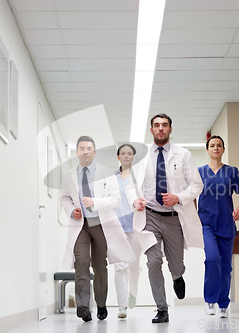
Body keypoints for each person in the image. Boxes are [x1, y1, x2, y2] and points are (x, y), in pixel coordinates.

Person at [125, 113, 204, 323]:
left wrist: (178, 197)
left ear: (170, 129)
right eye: (157, 125)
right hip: (148, 216)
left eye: (165, 125)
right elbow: (131, 187)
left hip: (174, 217)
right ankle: (162, 308)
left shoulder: (184, 155)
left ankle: (178, 276)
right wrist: (135, 201)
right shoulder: (140, 156)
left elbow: (197, 185)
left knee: (175, 264)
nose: (160, 128)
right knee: (153, 262)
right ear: (151, 130)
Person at [60, 136, 136, 322]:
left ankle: (101, 304)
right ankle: (84, 306)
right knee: (81, 261)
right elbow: (64, 198)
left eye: (89, 148)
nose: (85, 151)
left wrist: (95, 202)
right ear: (77, 152)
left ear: (94, 152)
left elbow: (115, 199)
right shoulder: (69, 174)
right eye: (82, 148)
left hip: (101, 223)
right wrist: (72, 211)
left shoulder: (107, 173)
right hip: (81, 224)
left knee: (100, 265)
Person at [197, 135, 239, 318]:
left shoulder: (232, 172)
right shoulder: (199, 172)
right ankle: (210, 301)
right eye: (212, 145)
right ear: (207, 150)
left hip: (226, 224)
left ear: (223, 149)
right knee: (212, 259)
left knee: (226, 266)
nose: (215, 148)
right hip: (206, 224)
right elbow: (190, 195)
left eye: (219, 145)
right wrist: (193, 216)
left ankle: (223, 304)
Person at [112, 143, 142, 319]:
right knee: (120, 266)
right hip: (117, 228)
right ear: (118, 157)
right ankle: (121, 306)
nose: (126, 156)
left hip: (136, 226)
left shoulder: (140, 178)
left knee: (134, 266)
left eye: (129, 153)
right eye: (122, 153)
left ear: (133, 157)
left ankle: (133, 292)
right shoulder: (112, 179)